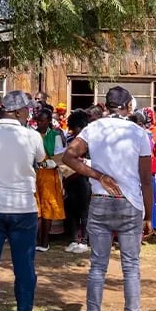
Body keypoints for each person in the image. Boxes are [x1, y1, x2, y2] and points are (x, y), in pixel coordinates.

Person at [63, 86, 153, 311]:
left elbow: (69, 157)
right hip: (130, 203)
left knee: (97, 266)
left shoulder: (94, 128)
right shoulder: (138, 132)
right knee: (131, 267)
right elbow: (146, 179)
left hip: (101, 200)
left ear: (107, 105)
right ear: (128, 106)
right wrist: (148, 215)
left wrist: (98, 175)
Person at [0, 91, 45, 311]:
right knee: (24, 265)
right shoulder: (32, 136)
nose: (29, 113)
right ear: (18, 111)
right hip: (23, 207)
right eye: (27, 110)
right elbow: (41, 159)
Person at [32, 106, 66, 251]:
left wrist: (45, 163)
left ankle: (44, 242)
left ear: (49, 122)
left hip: (49, 175)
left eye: (44, 121)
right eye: (38, 121)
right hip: (33, 174)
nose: (40, 124)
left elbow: (59, 158)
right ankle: (35, 240)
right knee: (35, 208)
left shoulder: (55, 136)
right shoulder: (31, 135)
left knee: (47, 208)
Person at [61, 109, 92, 254]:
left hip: (85, 179)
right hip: (69, 178)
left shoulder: (90, 141)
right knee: (70, 208)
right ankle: (73, 239)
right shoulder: (68, 140)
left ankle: (84, 241)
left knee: (84, 210)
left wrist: (83, 161)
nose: (76, 131)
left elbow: (95, 161)